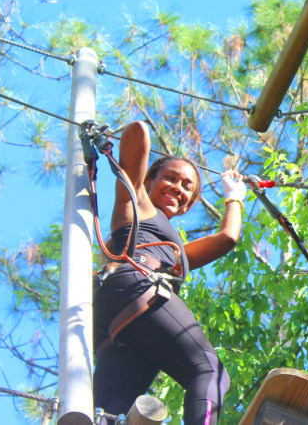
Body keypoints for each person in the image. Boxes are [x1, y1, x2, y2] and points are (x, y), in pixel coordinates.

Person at [93, 121, 245, 424]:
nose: (178, 187)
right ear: (148, 180)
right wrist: (128, 142)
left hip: (122, 319)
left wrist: (234, 196)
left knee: (110, 411)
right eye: (171, 178)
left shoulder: (175, 253)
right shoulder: (140, 204)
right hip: (138, 291)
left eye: (187, 186)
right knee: (209, 370)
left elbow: (227, 238)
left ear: (188, 205)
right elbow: (138, 133)